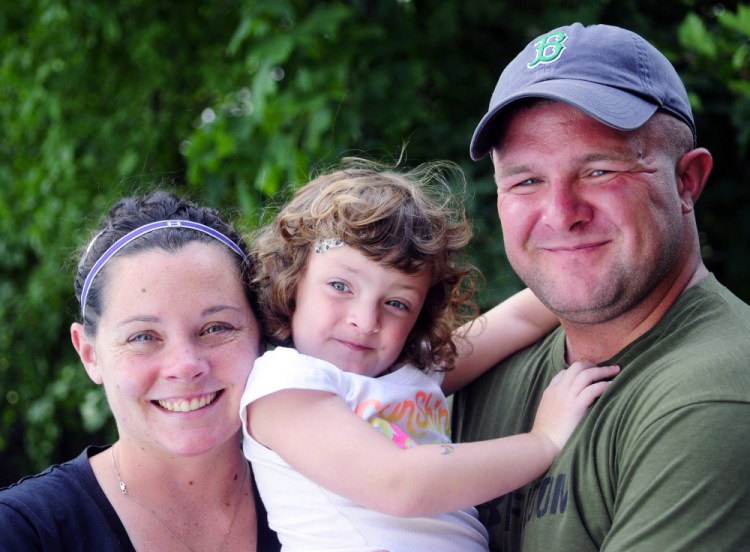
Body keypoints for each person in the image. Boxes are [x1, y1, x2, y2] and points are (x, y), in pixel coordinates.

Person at [452, 22, 750, 551]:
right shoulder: (478, 376)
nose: (561, 214)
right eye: (526, 180)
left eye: (599, 171)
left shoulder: (715, 399)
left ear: (687, 182)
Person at [239, 158, 619, 551]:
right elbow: (399, 485)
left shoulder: (410, 371)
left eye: (397, 303)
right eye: (340, 286)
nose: (366, 320)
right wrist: (544, 442)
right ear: (292, 281)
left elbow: (521, 318)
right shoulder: (284, 383)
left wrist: (603, 274)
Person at [0, 191, 281, 551]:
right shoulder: (24, 533)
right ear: (89, 354)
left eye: (216, 328)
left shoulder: (326, 499)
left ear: (262, 335)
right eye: (143, 336)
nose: (185, 365)